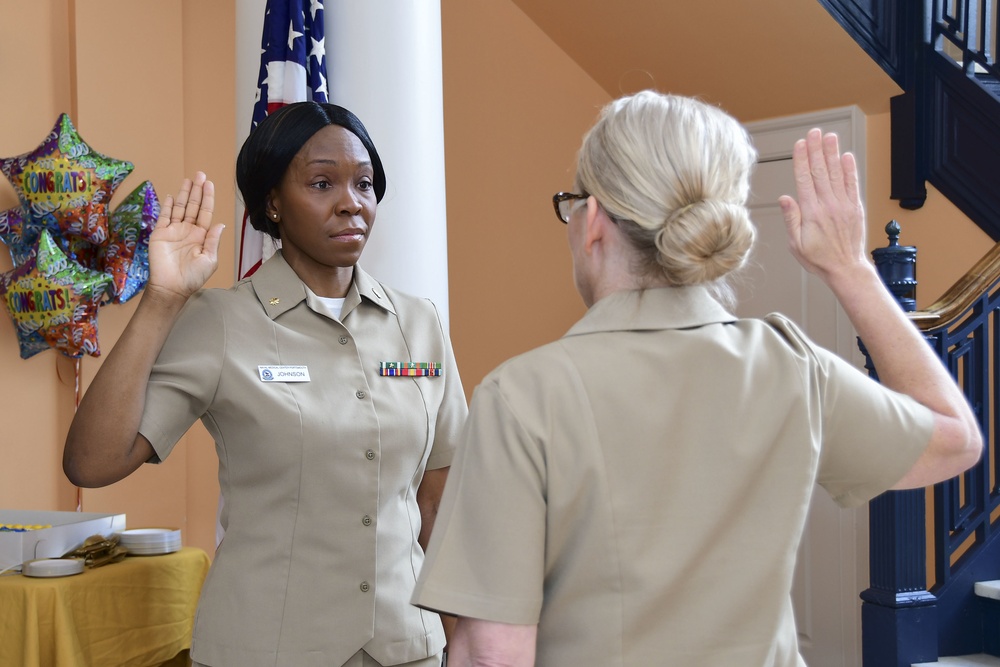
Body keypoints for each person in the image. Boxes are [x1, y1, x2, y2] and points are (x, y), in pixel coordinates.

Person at [410, 91, 983, 666]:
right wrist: (850, 269)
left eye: (573, 203)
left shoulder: (522, 397)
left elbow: (492, 653)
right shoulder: (789, 366)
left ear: (596, 222)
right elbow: (955, 439)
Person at [63, 102, 467, 667]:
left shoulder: (420, 323)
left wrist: (461, 636)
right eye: (322, 183)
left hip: (409, 648)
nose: (351, 202)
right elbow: (93, 462)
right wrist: (163, 299)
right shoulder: (220, 321)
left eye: (365, 184)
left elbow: (440, 499)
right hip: (266, 649)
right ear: (272, 203)